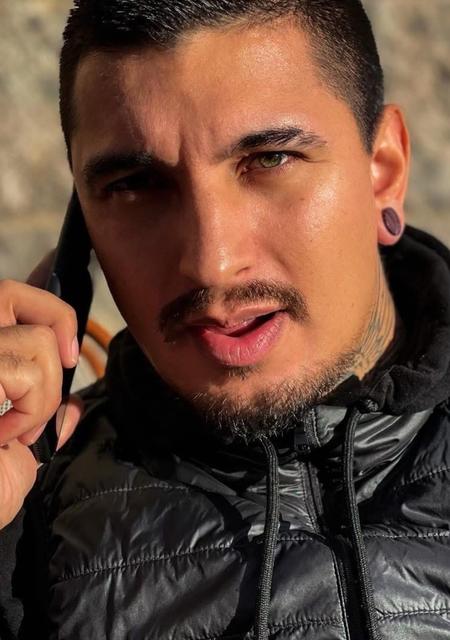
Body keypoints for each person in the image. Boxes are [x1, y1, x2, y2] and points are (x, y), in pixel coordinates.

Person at [1, 0, 449, 638]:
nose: (210, 264)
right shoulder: (30, 511)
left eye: (270, 158)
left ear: (384, 171)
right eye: (134, 184)